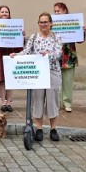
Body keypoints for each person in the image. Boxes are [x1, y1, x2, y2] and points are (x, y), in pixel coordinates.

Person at [11, 13, 62, 141]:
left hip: (52, 71)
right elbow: (26, 51)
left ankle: (53, 129)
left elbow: (58, 53)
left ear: (51, 23)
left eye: (46, 22)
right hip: (37, 73)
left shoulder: (57, 37)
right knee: (38, 99)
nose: (43, 24)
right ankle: (39, 128)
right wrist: (16, 55)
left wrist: (48, 54)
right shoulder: (33, 37)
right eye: (41, 22)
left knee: (52, 100)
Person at [53, 2, 86, 113]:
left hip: (69, 56)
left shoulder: (74, 22)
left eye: (58, 11)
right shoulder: (51, 23)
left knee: (67, 81)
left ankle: (67, 103)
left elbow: (80, 40)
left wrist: (83, 31)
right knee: (55, 82)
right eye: (55, 11)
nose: (56, 13)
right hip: (55, 57)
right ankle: (56, 104)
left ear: (65, 11)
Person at [0, 5, 23, 112]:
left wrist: (21, 35)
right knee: (1, 79)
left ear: (9, 14)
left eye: (6, 12)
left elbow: (20, 45)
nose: (4, 14)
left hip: (11, 53)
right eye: (2, 12)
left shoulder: (15, 25)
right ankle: (3, 102)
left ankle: (9, 102)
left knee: (10, 79)